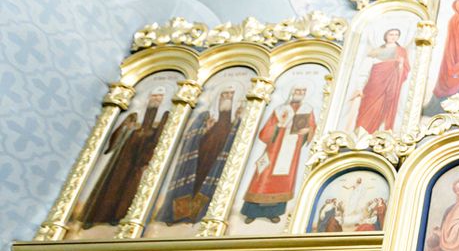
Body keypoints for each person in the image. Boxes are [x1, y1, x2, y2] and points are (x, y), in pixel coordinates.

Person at [77, 88, 170, 228]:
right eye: (154, 96)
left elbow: (159, 137)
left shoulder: (163, 116)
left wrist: (147, 158)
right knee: (112, 182)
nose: (156, 99)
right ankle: (97, 216)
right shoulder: (136, 114)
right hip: (123, 156)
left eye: (159, 97)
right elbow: (118, 133)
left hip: (141, 156)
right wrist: (127, 127)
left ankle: (119, 216)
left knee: (130, 185)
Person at [157, 87, 242, 224]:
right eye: (224, 94)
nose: (227, 97)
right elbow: (190, 137)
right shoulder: (207, 116)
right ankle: (180, 215)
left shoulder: (236, 119)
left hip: (218, 161)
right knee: (192, 185)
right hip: (200, 159)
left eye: (231, 94)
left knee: (208, 187)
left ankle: (198, 216)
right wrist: (204, 130)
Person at [241, 86, 315, 223]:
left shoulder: (307, 109)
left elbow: (312, 127)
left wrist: (307, 131)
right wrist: (278, 126)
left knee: (283, 181)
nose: (300, 93)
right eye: (297, 91)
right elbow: (265, 132)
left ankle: (273, 212)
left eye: (303, 91)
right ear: (292, 92)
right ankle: (251, 212)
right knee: (262, 177)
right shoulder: (280, 109)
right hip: (274, 149)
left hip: (291, 151)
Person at [351, 28, 410, 133]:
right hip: (374, 84)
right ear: (385, 36)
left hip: (391, 84)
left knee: (384, 107)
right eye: (391, 34)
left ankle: (377, 132)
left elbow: (405, 69)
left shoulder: (401, 51)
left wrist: (400, 65)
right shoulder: (376, 51)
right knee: (367, 106)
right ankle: (361, 130)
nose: (393, 37)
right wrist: (359, 87)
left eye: (396, 35)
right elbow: (365, 68)